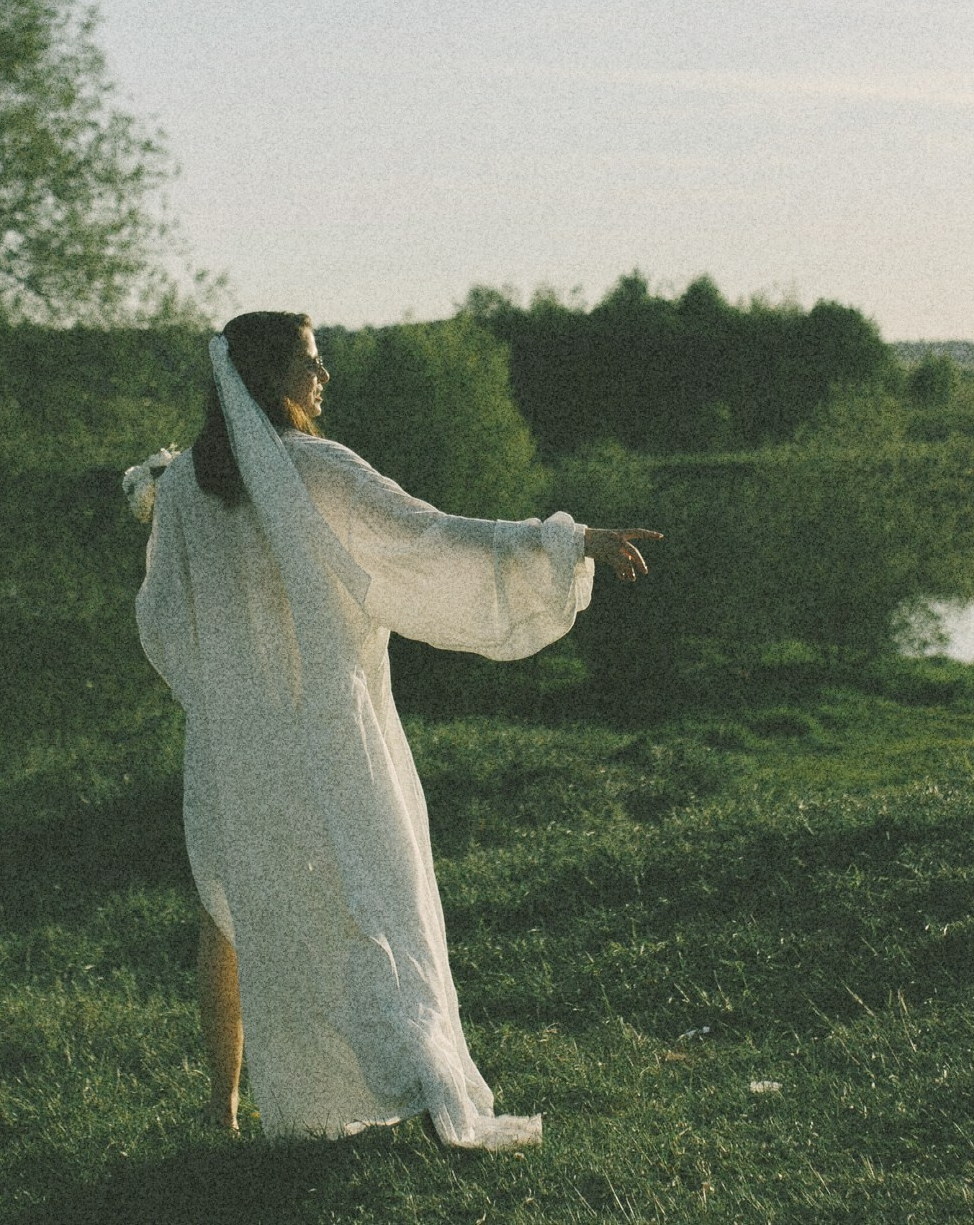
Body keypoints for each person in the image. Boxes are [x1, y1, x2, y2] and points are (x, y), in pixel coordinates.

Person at [130, 311, 658, 1150]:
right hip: (332, 727)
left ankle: (234, 1109)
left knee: (234, 910)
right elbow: (429, 539)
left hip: (241, 742)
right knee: (375, 889)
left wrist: (221, 698)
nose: (324, 374)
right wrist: (566, 541)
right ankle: (417, 1076)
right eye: (311, 359)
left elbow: (160, 617)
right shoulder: (315, 469)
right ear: (271, 376)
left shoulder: (184, 489)